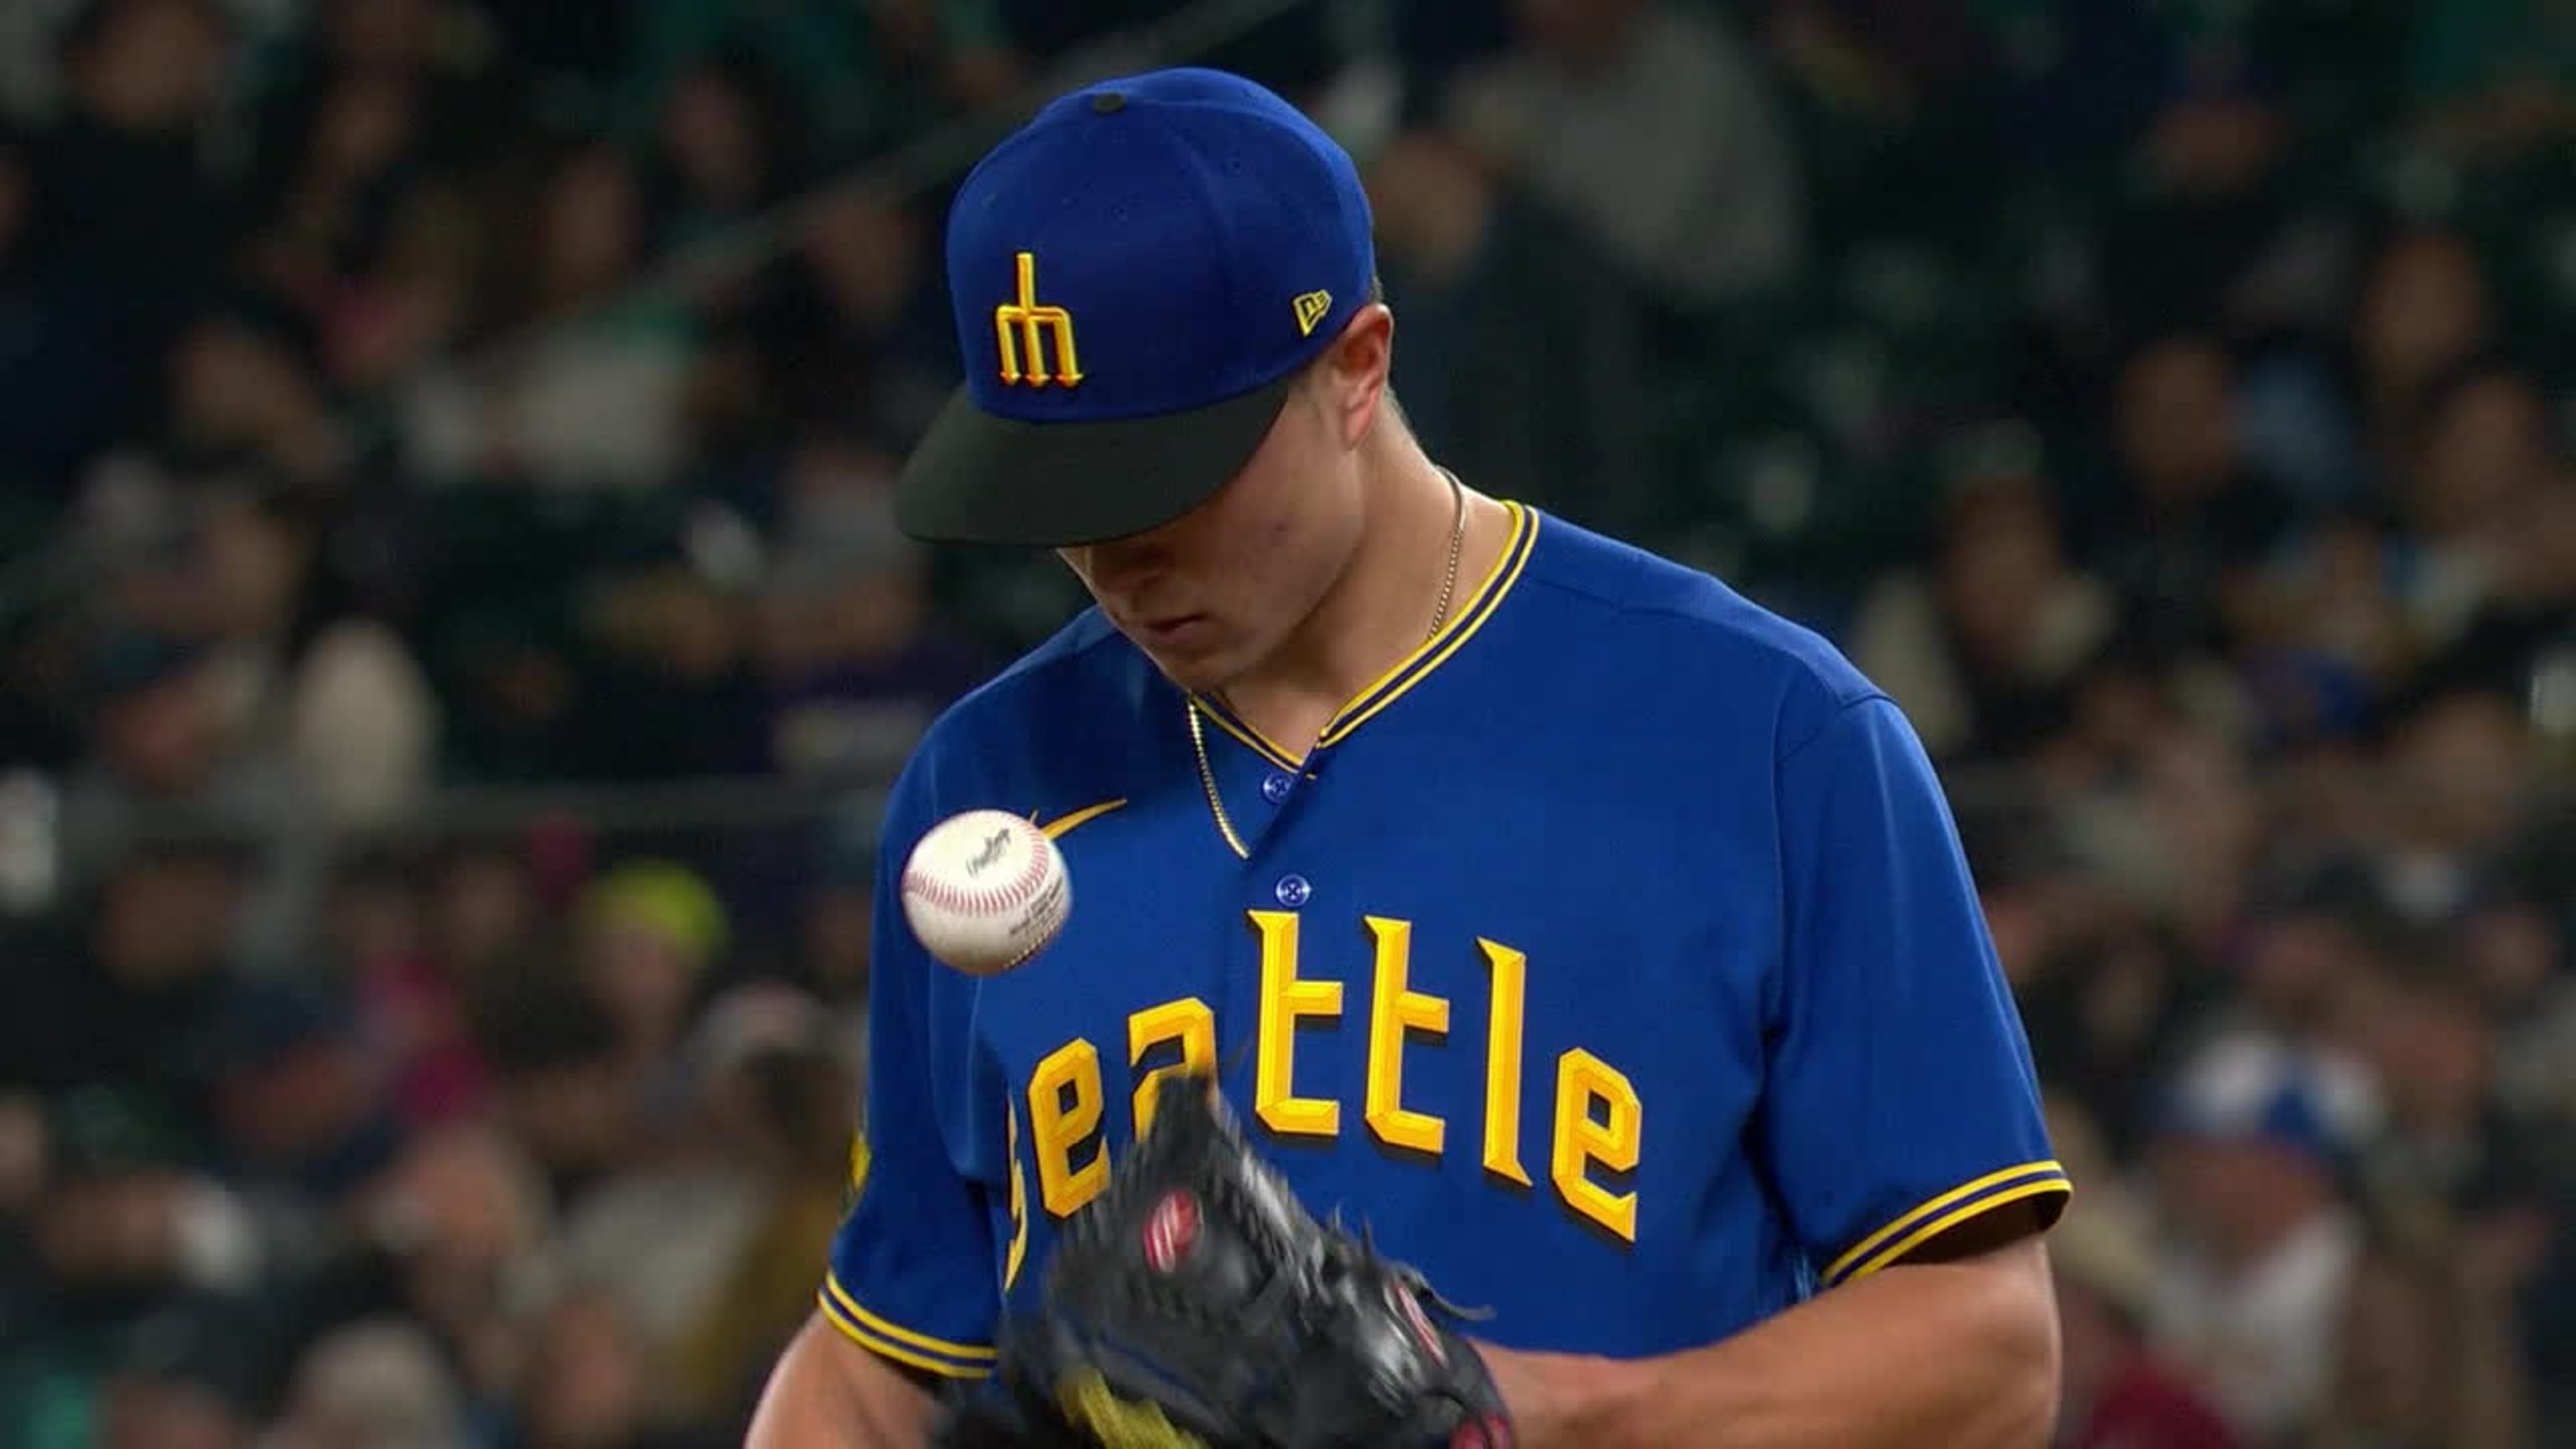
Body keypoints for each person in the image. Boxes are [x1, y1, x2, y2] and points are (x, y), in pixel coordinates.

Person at [748, 65, 2069, 1448]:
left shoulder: (1765, 739)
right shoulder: (984, 782)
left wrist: (1557, 1417)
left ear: (1358, 365)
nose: (1120, 561)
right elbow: (875, 1361)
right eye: (1061, 498)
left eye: (1166, 480)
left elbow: (1986, 1352)